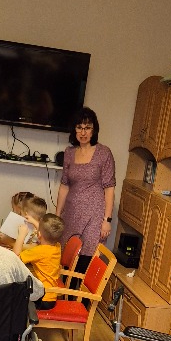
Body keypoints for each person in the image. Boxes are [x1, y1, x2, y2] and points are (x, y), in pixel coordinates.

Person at [55, 107, 116, 273]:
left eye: (87, 128)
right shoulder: (69, 153)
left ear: (93, 130)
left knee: (85, 260)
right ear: (74, 129)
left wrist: (107, 220)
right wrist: (57, 215)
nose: (83, 132)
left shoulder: (104, 153)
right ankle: (65, 289)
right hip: (71, 213)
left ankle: (80, 290)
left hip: (94, 216)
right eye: (79, 127)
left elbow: (109, 188)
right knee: (67, 257)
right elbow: (64, 185)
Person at [14, 212, 64, 312]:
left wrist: (21, 235)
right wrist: (34, 221)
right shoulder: (57, 246)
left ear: (39, 234)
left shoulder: (40, 251)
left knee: (14, 294)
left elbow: (15, 257)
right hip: (50, 297)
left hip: (42, 298)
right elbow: (47, 234)